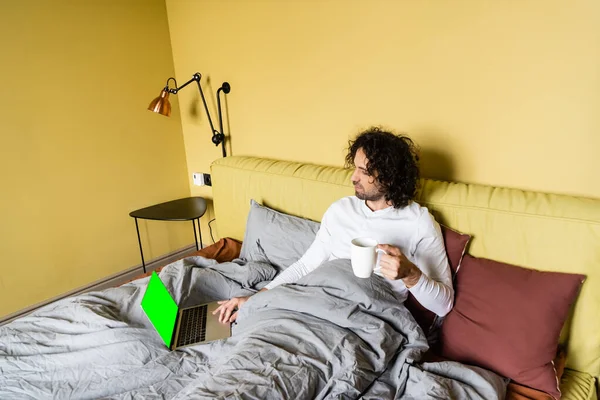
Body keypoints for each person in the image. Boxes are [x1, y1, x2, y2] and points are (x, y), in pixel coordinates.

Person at [213, 127, 453, 323]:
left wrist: (411, 275)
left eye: (363, 170)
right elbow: (306, 265)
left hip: (365, 315)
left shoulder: (418, 223)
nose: (353, 177)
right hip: (316, 302)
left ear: (388, 177)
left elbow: (443, 305)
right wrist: (256, 298)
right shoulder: (341, 210)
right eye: (355, 168)